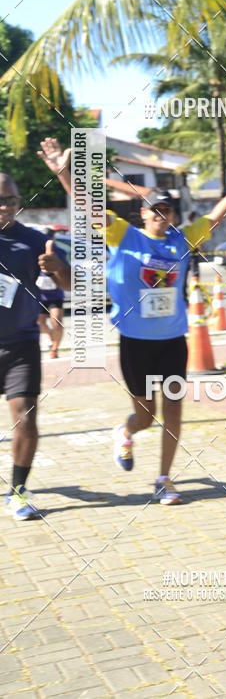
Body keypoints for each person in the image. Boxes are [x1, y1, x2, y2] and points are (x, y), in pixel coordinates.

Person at [39, 138, 226, 505]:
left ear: (173, 216)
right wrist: (63, 172)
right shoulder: (121, 235)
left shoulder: (182, 240)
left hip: (173, 341)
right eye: (154, 210)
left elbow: (218, 214)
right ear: (142, 213)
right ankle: (125, 432)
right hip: (136, 342)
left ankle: (164, 479)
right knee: (145, 417)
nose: (160, 215)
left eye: (166, 210)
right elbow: (90, 207)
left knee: (173, 410)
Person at [0, 175, 70, 520]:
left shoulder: (35, 241)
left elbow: (64, 287)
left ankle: (17, 490)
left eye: (11, 200)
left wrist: (58, 271)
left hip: (21, 345)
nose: (4, 207)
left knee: (25, 417)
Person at [36, 228, 65, 359]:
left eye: (50, 239)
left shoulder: (60, 253)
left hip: (55, 296)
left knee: (57, 322)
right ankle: (52, 336)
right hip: (38, 296)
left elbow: (66, 273)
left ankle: (55, 349)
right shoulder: (34, 252)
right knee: (39, 324)